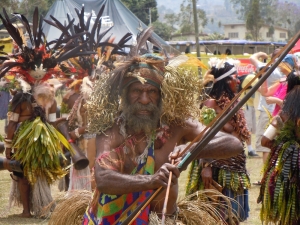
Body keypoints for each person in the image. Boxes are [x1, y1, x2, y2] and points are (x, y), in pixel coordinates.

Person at [81, 52, 243, 224]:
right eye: (137, 90)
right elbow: (104, 178)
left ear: (162, 95)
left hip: (163, 220)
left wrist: (189, 151)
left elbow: (234, 144)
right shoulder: (112, 129)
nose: (144, 99)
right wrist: (151, 180)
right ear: (125, 94)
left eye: (152, 91)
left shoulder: (176, 125)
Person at [187, 57, 251, 224]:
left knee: (233, 218)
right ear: (225, 81)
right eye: (235, 77)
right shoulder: (210, 104)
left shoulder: (233, 101)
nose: (238, 80)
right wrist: (206, 166)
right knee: (216, 217)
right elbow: (203, 137)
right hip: (215, 168)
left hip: (235, 168)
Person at [257, 71, 300, 224]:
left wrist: (281, 147)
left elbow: (264, 140)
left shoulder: (284, 114)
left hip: (287, 168)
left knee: (290, 213)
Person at [249, 49, 284, 164]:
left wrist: (261, 54)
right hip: (282, 112)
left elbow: (252, 58)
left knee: (265, 144)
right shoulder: (286, 72)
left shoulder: (270, 69)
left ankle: (266, 176)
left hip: (267, 110)